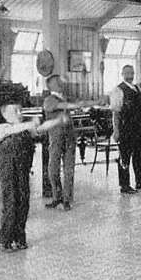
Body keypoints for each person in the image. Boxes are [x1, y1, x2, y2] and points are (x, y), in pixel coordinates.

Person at [0, 103, 65, 251]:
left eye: (20, 111)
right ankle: (5, 240)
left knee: (23, 201)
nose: (19, 113)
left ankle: (19, 238)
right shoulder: (2, 128)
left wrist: (56, 120)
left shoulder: (27, 129)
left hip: (23, 168)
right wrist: (31, 123)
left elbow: (41, 129)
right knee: (11, 201)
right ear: (5, 115)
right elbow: (13, 130)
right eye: (15, 111)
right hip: (8, 169)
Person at [42, 74, 91, 211]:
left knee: (69, 169)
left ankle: (66, 199)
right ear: (50, 85)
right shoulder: (49, 100)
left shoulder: (66, 97)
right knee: (53, 168)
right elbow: (64, 105)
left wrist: (90, 103)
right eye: (57, 82)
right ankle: (56, 197)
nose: (60, 83)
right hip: (56, 138)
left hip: (70, 137)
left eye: (60, 81)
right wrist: (78, 104)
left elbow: (79, 103)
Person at [109, 65, 141, 194]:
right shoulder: (118, 90)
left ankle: (140, 181)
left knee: (139, 155)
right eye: (127, 73)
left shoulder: (138, 88)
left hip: (139, 128)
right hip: (125, 128)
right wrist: (116, 130)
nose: (130, 75)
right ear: (122, 74)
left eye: (132, 73)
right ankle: (124, 185)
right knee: (124, 157)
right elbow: (116, 112)